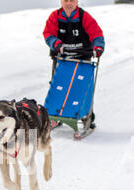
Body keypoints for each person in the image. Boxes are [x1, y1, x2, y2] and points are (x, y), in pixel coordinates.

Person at [43, 0, 105, 128]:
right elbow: (48, 34)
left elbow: (96, 34)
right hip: (62, 57)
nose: (69, 3)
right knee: (59, 86)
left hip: (83, 57)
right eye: (66, 0)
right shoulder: (55, 16)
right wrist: (56, 43)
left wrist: (98, 47)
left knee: (82, 87)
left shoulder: (84, 17)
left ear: (77, 1)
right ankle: (55, 115)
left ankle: (86, 115)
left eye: (72, 0)